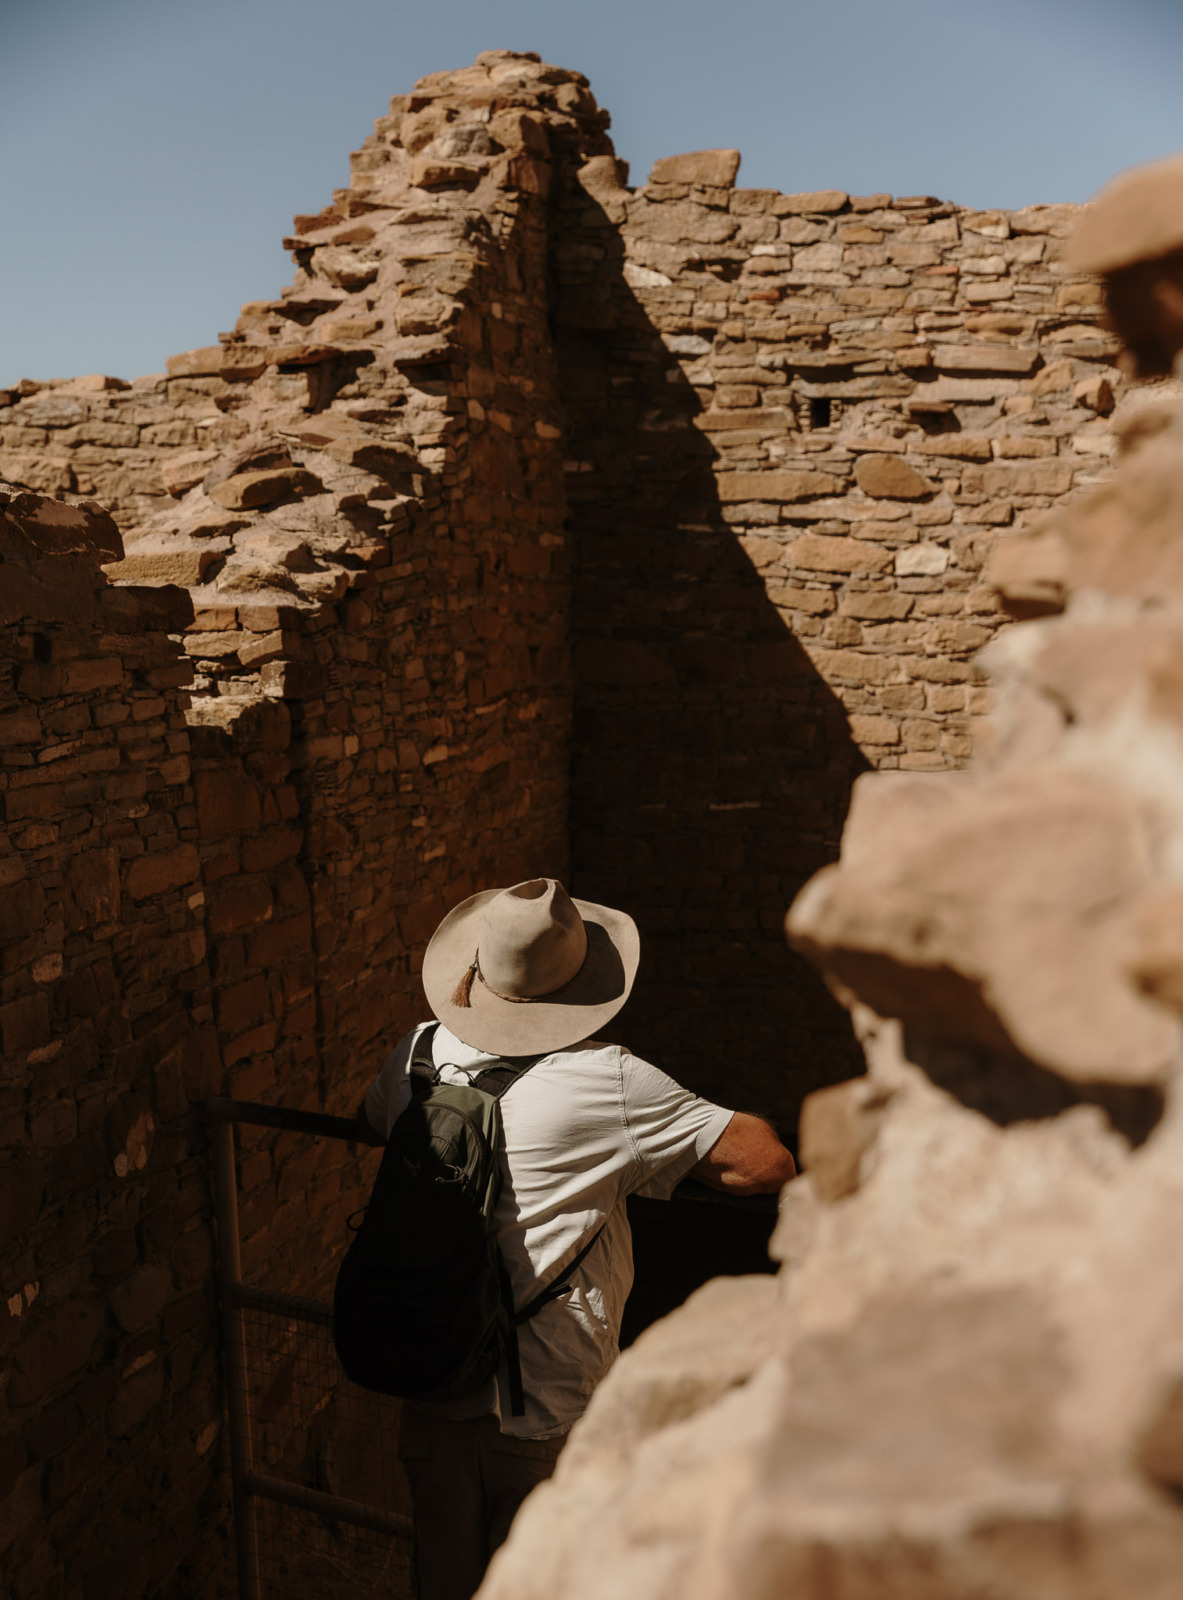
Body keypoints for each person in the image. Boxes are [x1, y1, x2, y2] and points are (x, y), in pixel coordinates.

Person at [355, 877, 796, 1600]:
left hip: (428, 1379)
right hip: (542, 1403)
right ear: (584, 983)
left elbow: (369, 1122)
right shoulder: (608, 1081)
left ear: (474, 972)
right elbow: (764, 1165)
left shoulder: (419, 1052)